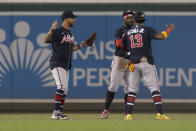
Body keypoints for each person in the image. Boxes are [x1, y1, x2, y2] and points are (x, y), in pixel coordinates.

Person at [123, 11, 175, 120]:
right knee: (154, 88)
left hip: (133, 63)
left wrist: (131, 55)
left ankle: (128, 114)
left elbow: (124, 49)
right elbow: (161, 37)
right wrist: (169, 29)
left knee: (132, 89)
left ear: (134, 20)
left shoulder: (127, 33)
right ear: (143, 20)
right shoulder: (147, 29)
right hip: (146, 62)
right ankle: (159, 114)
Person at [45, 10, 97, 120]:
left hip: (66, 65)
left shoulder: (69, 33)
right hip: (57, 62)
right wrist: (51, 30)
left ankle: (59, 112)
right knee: (61, 87)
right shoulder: (58, 31)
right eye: (73, 18)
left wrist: (84, 44)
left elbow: (72, 48)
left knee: (65, 89)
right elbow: (46, 40)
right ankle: (55, 113)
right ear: (66, 19)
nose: (74, 20)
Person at [101, 9, 135, 119]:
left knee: (129, 88)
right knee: (113, 86)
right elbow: (119, 44)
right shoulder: (120, 30)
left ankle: (128, 113)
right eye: (127, 17)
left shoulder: (137, 30)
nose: (130, 19)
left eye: (131, 17)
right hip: (121, 59)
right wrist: (130, 51)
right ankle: (106, 110)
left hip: (131, 61)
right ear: (123, 18)